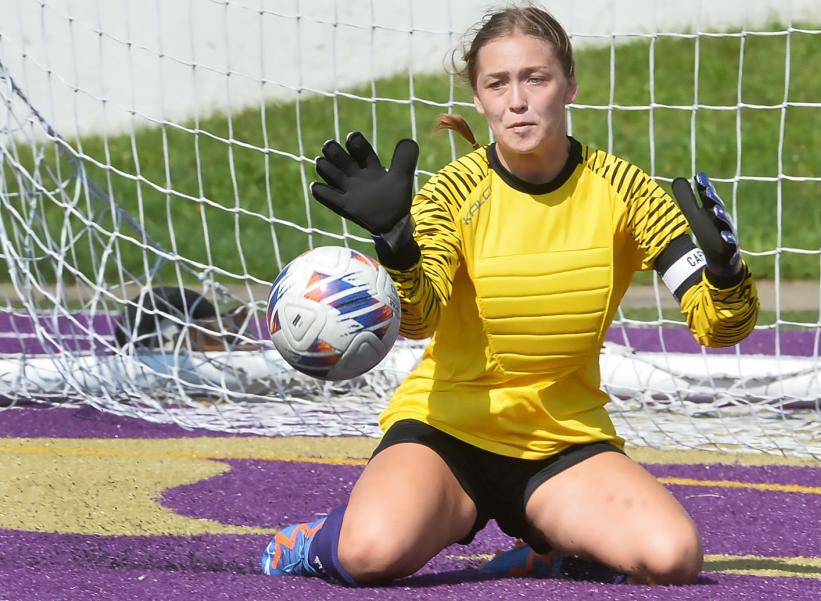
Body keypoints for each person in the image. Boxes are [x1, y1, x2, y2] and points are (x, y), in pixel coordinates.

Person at [261, 4, 758, 586]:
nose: (517, 101)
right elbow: (420, 319)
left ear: (570, 84)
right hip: (447, 433)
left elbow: (720, 328)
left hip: (563, 442)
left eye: (535, 79)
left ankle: (552, 553)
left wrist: (726, 275)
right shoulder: (453, 191)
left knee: (672, 559)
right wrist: (395, 242)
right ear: (478, 97)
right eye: (498, 83)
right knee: (370, 555)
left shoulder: (626, 191)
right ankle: (314, 539)